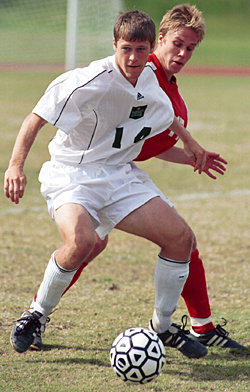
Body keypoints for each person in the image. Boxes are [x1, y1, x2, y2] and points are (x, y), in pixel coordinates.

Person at [29, 5, 246, 353]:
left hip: (118, 172)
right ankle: (35, 314)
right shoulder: (139, 71)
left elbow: (146, 145)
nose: (182, 53)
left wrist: (192, 152)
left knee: (180, 240)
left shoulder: (162, 85)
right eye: (177, 44)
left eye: (190, 48)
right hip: (84, 172)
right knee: (86, 244)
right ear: (157, 39)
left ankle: (194, 326)